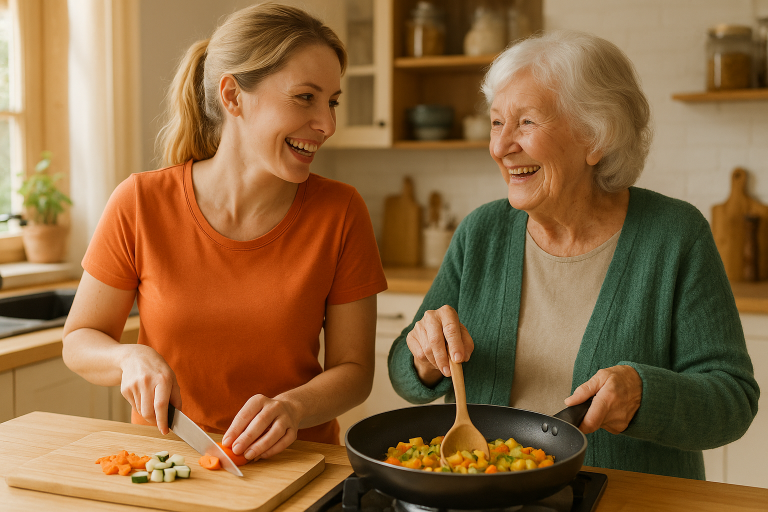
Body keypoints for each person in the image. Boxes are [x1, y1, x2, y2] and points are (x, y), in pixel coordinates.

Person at [387, 30, 758, 479]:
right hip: (488, 499)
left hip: (632, 501)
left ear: (595, 136)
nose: (501, 147)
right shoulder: (481, 232)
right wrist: (424, 358)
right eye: (496, 122)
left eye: (525, 123)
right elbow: (402, 367)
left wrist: (644, 394)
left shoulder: (676, 235)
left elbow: (733, 399)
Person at [62, 3, 387, 462]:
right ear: (232, 96)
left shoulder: (341, 211)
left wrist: (294, 406)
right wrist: (127, 358)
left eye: (331, 101)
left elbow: (354, 371)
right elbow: (79, 339)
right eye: (305, 98)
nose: (327, 125)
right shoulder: (139, 203)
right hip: (165, 464)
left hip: (296, 466)